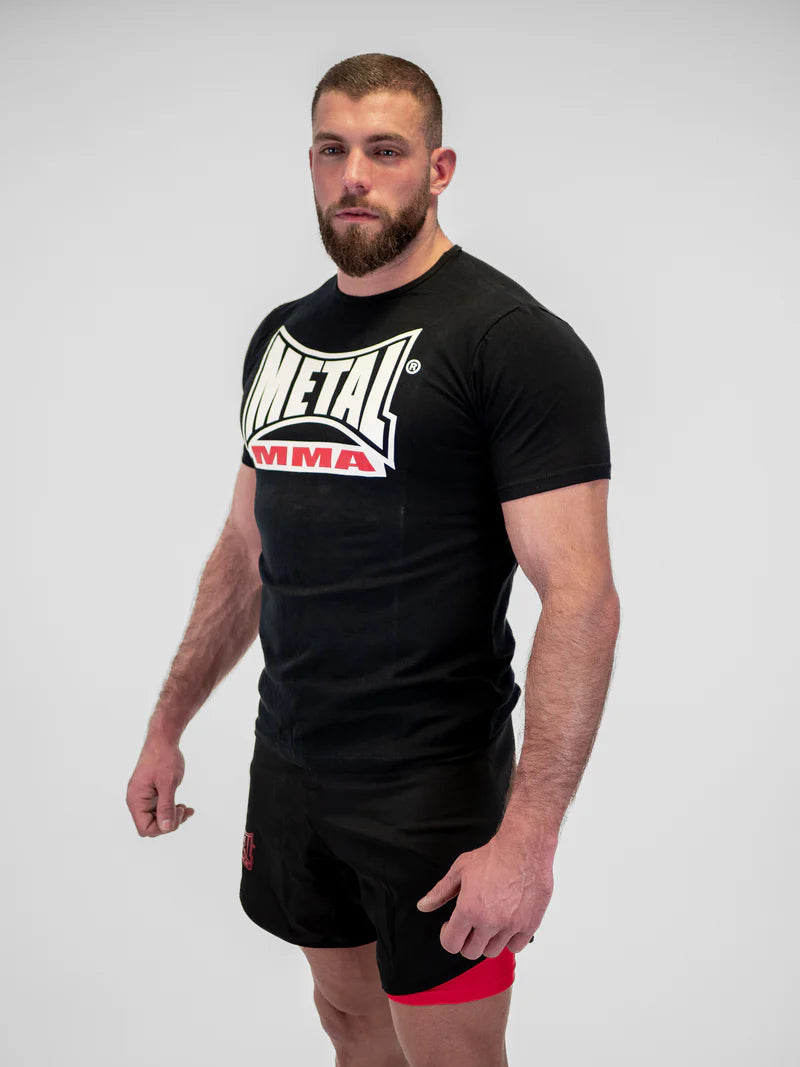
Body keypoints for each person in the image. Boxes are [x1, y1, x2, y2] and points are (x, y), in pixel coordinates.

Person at [126, 52, 620, 1067]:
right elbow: (244, 548)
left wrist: (528, 839)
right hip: (292, 764)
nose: (354, 175)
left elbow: (579, 595)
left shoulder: (511, 340)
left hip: (432, 790)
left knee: (450, 1055)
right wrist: (167, 724)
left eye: (385, 151)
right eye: (332, 149)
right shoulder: (281, 337)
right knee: (350, 1026)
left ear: (438, 169)